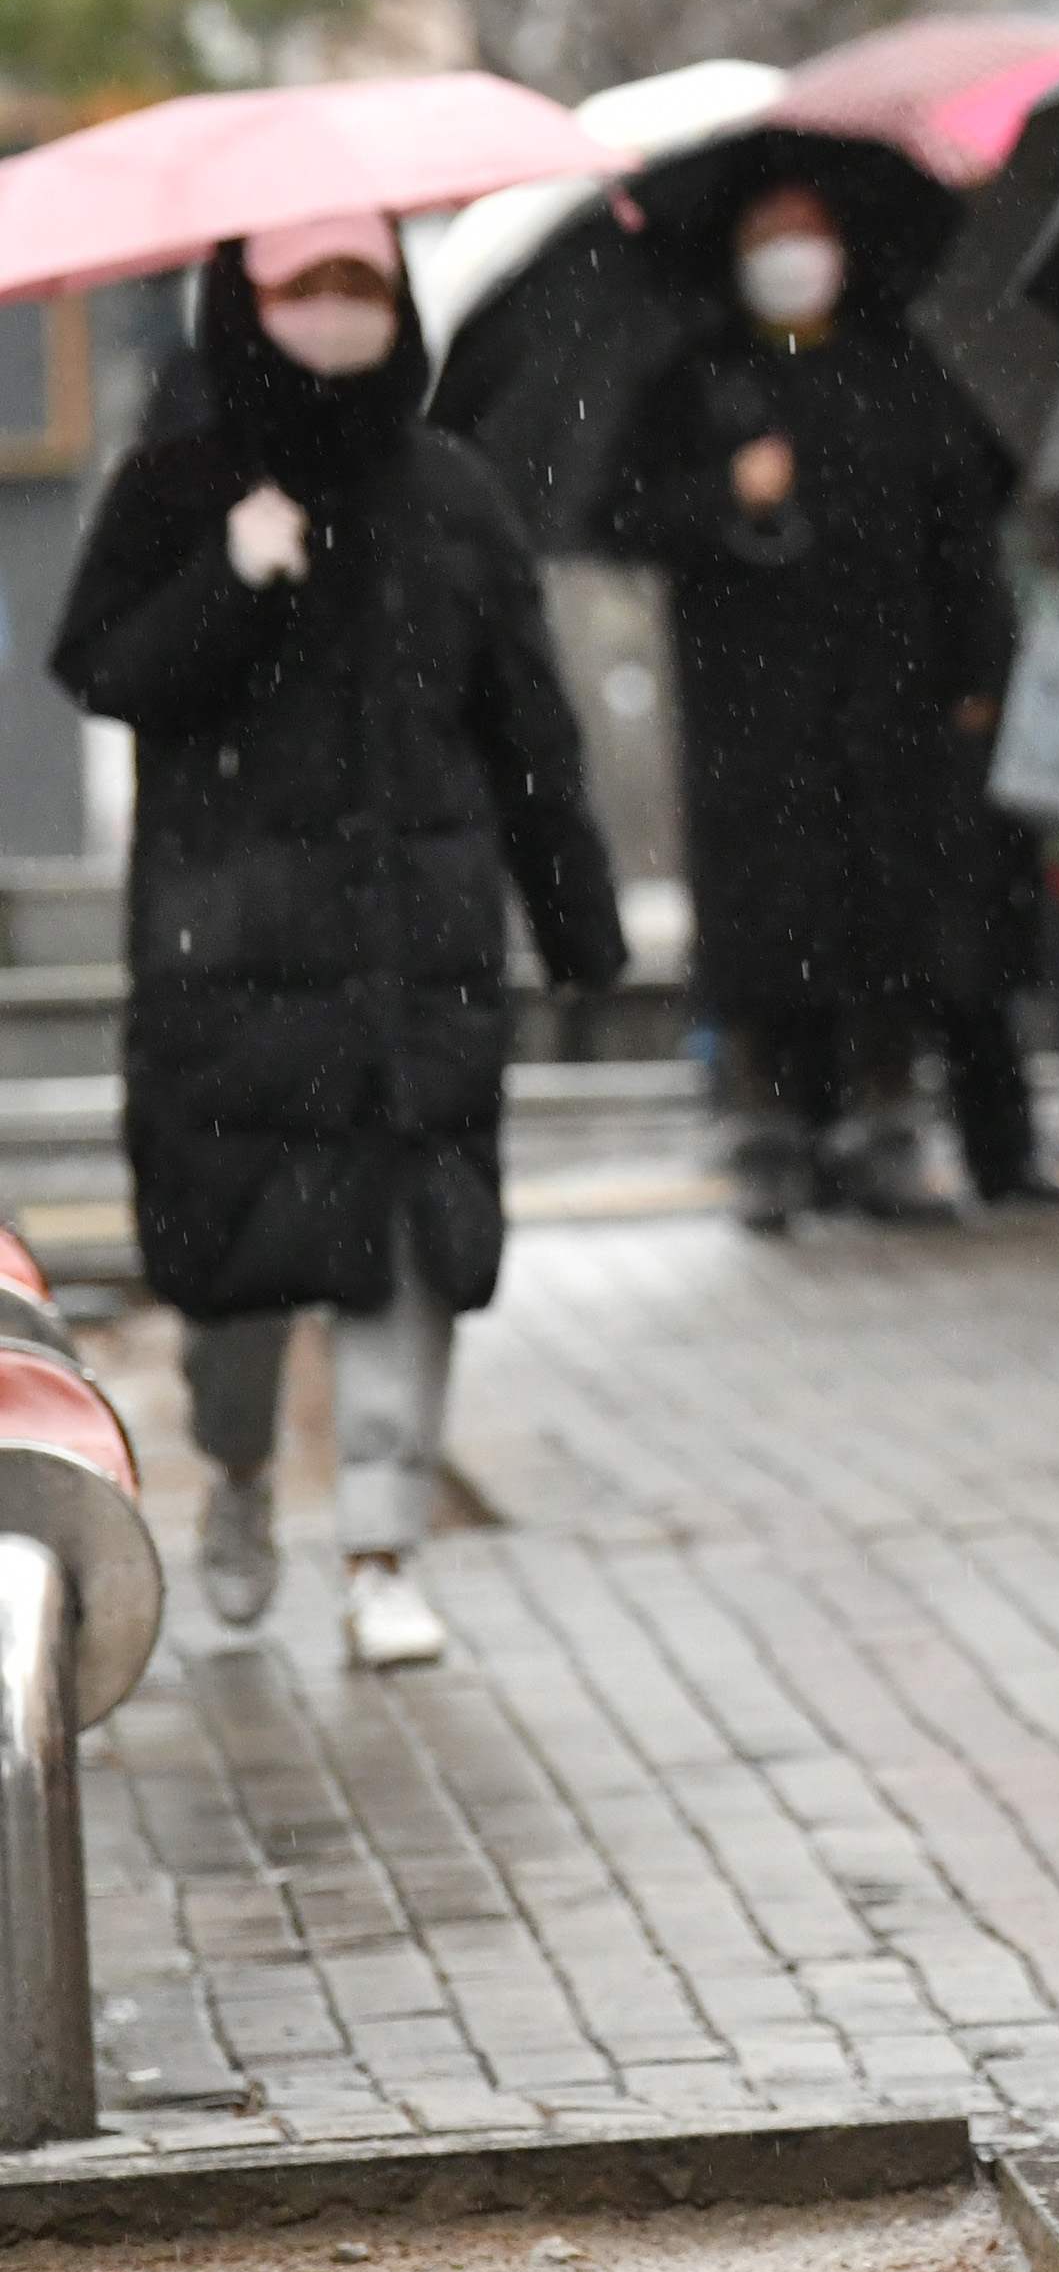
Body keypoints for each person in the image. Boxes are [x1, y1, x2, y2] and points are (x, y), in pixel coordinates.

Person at [56, 219, 625, 1670]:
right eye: (304, 287)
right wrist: (231, 574)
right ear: (246, 306)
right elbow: (106, 669)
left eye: (360, 286)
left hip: (405, 959)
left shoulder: (452, 495)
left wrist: (578, 921)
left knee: (405, 1257)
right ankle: (241, 1478)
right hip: (231, 967)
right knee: (237, 1290)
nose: (333, 315)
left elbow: (528, 728)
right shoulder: (179, 484)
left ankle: (383, 1546)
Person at [612, 171, 1021, 1232]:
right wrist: (725, 497)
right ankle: (770, 1131)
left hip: (888, 700)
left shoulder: (899, 370)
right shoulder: (698, 379)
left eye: (810, 229)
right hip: (751, 711)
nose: (793, 253)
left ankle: (884, 1123)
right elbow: (634, 514)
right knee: (766, 920)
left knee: (888, 916)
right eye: (770, 231)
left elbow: (960, 530)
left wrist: (978, 674)